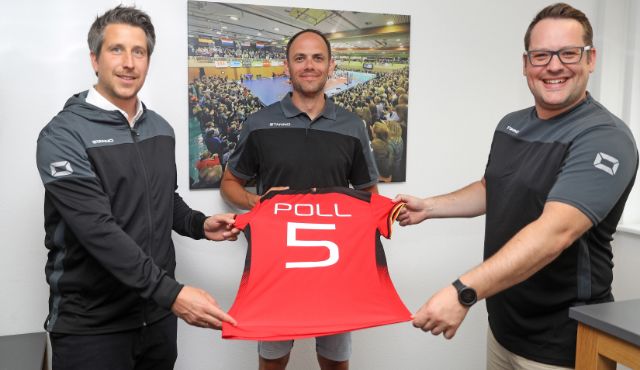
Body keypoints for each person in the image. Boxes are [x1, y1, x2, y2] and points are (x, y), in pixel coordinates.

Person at [395, 3, 638, 369]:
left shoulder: (604, 137)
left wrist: (462, 292)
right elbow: (494, 187)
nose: (554, 66)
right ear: (526, 64)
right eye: (541, 55)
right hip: (504, 328)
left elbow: (555, 231)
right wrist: (430, 207)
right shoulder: (512, 124)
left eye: (568, 53)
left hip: (563, 340)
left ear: (591, 59)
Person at [36, 6, 239, 370]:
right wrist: (173, 294)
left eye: (139, 52)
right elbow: (98, 231)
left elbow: (163, 199)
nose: (128, 62)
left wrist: (197, 224)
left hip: (157, 320)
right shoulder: (62, 135)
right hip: (92, 327)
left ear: (147, 60)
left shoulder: (161, 129)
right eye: (116, 50)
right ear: (94, 59)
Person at [220, 29, 379, 370]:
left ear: (331, 65)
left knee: (335, 363)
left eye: (318, 58)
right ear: (287, 66)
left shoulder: (353, 126)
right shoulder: (259, 123)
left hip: (335, 267)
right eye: (300, 58)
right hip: (275, 266)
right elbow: (230, 183)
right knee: (273, 362)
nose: (309, 66)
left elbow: (369, 194)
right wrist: (257, 202)